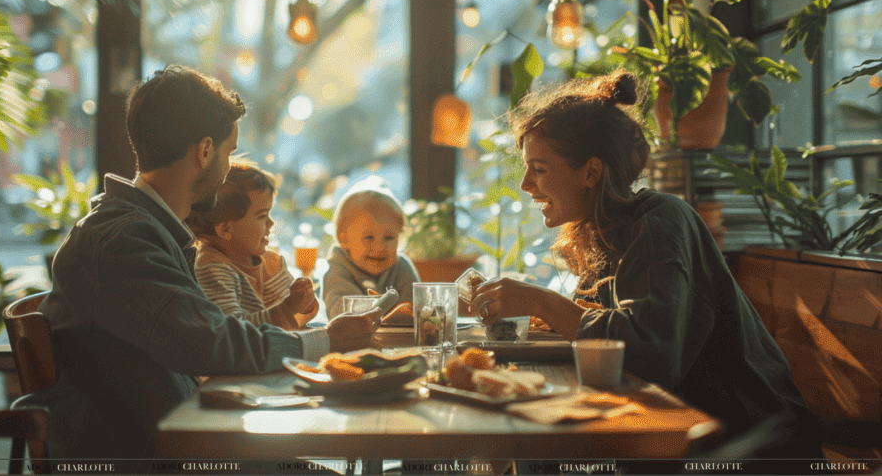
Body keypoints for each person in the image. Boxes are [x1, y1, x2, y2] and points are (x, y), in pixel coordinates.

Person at [468, 69, 822, 456]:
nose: (525, 184)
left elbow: (648, 354)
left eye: (538, 169)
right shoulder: (602, 233)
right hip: (679, 430)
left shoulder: (660, 221)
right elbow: (604, 333)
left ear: (590, 172)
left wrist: (541, 303)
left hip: (748, 439)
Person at [37, 65, 379, 459]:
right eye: (229, 153)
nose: (229, 169)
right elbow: (209, 342)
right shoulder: (125, 242)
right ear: (203, 151)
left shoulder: (144, 231)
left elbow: (207, 339)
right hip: (150, 457)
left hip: (180, 439)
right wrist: (327, 341)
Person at [185, 160, 319, 330]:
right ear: (225, 229)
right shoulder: (212, 269)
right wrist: (288, 307)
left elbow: (297, 319)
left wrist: (306, 303)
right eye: (262, 216)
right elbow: (235, 330)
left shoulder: (271, 262)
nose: (271, 223)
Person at [322, 178, 420, 318]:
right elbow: (340, 312)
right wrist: (389, 306)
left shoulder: (402, 268)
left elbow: (418, 310)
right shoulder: (337, 271)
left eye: (389, 238)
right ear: (343, 238)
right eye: (369, 237)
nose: (379, 246)